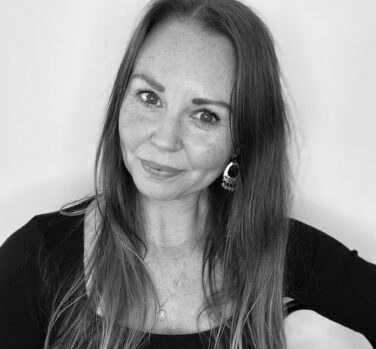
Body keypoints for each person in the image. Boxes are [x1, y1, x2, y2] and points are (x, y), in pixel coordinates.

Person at [0, 0, 375, 348]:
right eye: (149, 97)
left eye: (205, 115)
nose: (164, 139)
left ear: (243, 138)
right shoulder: (33, 258)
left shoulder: (293, 256)